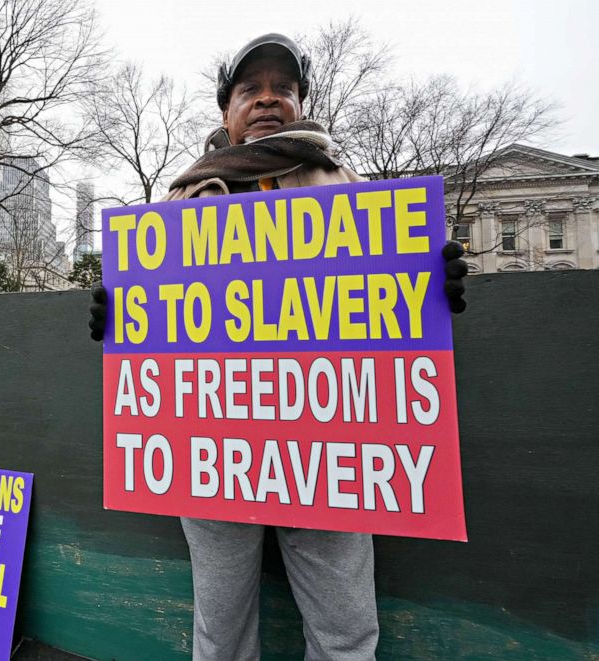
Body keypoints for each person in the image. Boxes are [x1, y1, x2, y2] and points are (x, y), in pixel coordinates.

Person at [89, 33, 469, 660]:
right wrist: (117, 315)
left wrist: (432, 283)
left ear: (300, 102)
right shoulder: (182, 201)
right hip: (211, 450)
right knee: (221, 633)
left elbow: (383, 302)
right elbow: (157, 324)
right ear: (226, 111)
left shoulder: (349, 187)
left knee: (346, 632)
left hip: (331, 449)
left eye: (283, 89)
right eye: (250, 89)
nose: (268, 99)